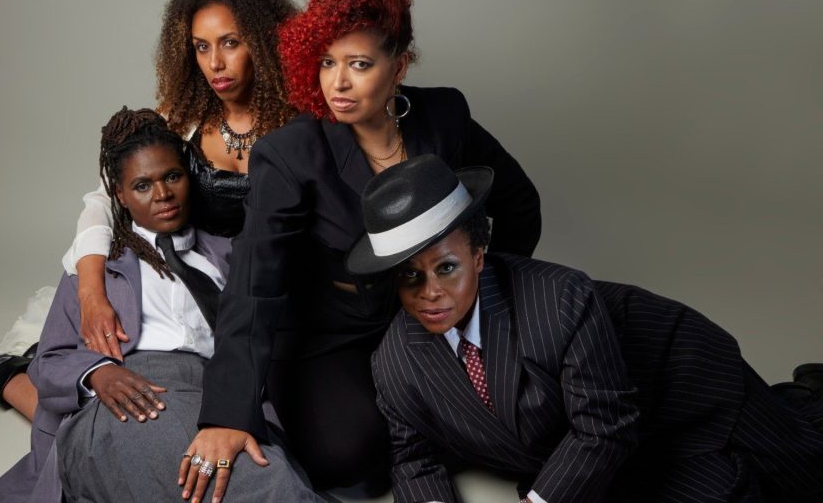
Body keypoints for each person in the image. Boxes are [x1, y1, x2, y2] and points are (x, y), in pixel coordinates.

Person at [181, 0, 542, 501]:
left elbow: (518, 202)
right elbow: (254, 283)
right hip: (329, 332)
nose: (338, 83)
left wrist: (485, 296)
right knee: (349, 458)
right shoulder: (290, 153)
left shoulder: (442, 118)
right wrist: (226, 414)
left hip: (427, 314)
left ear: (398, 65)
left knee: (532, 408)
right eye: (326, 63)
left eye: (359, 64)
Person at [0, 0, 297, 421]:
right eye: (201, 47)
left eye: (231, 42)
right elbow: (103, 201)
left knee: (280, 424)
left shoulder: (300, 124)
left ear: (264, 42)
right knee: (114, 409)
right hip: (180, 276)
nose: (215, 63)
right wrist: (92, 295)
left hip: (267, 291)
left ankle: (5, 374)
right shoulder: (183, 117)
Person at [349, 154, 823, 503]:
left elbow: (602, 427)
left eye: (446, 268)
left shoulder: (560, 298)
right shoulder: (394, 361)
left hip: (682, 387)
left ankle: (806, 400)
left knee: (805, 471)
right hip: (600, 454)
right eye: (410, 275)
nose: (429, 291)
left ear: (478, 254)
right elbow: (413, 459)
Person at [0, 108, 322, 503]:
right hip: (131, 399)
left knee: (268, 470)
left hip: (220, 395)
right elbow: (50, 359)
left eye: (172, 177)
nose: (162, 195)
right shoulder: (99, 267)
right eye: (142, 186)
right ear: (119, 196)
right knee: (244, 486)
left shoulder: (228, 256)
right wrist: (98, 374)